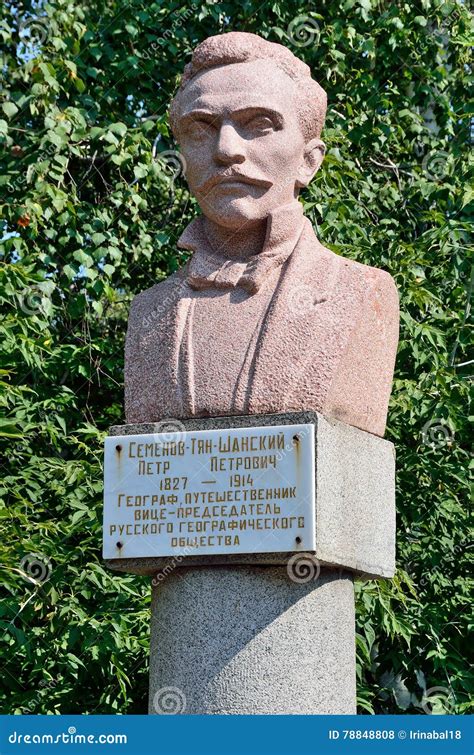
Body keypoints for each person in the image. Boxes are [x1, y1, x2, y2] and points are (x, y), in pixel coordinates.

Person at [125, 32, 399, 437]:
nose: (226, 150)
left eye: (259, 124)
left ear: (309, 161)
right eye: (201, 128)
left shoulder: (359, 293)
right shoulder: (149, 312)